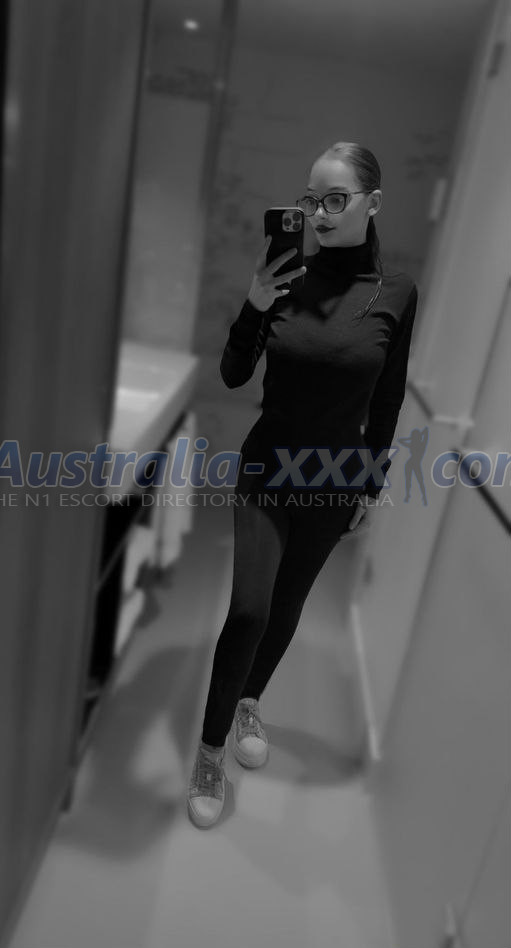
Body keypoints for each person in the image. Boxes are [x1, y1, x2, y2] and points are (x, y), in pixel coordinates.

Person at [187, 141, 419, 828]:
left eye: (335, 199)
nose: (319, 213)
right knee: (250, 610)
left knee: (287, 606)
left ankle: (248, 700)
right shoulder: (284, 278)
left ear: (372, 204)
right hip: (266, 467)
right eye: (311, 199)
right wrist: (253, 304)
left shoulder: (396, 295)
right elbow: (234, 374)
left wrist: (369, 486)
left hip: (333, 481)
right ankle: (209, 750)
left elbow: (387, 401)